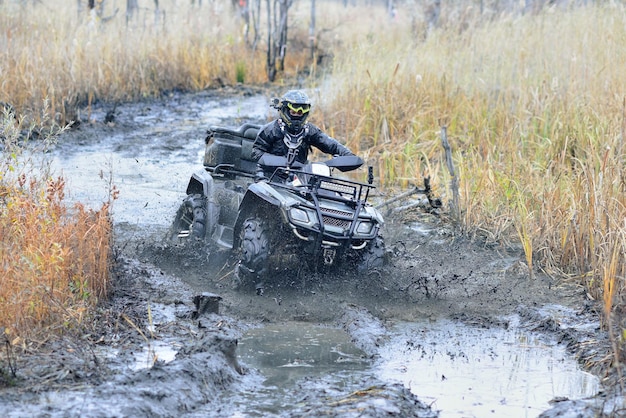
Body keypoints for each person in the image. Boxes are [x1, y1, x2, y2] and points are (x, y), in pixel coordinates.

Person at [251, 90, 356, 167]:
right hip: (269, 176)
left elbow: (332, 145)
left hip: (299, 178)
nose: (297, 115)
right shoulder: (270, 130)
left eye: (300, 112)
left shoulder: (310, 130)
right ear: (285, 110)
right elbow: (256, 153)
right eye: (293, 112)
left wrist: (348, 156)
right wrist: (281, 162)